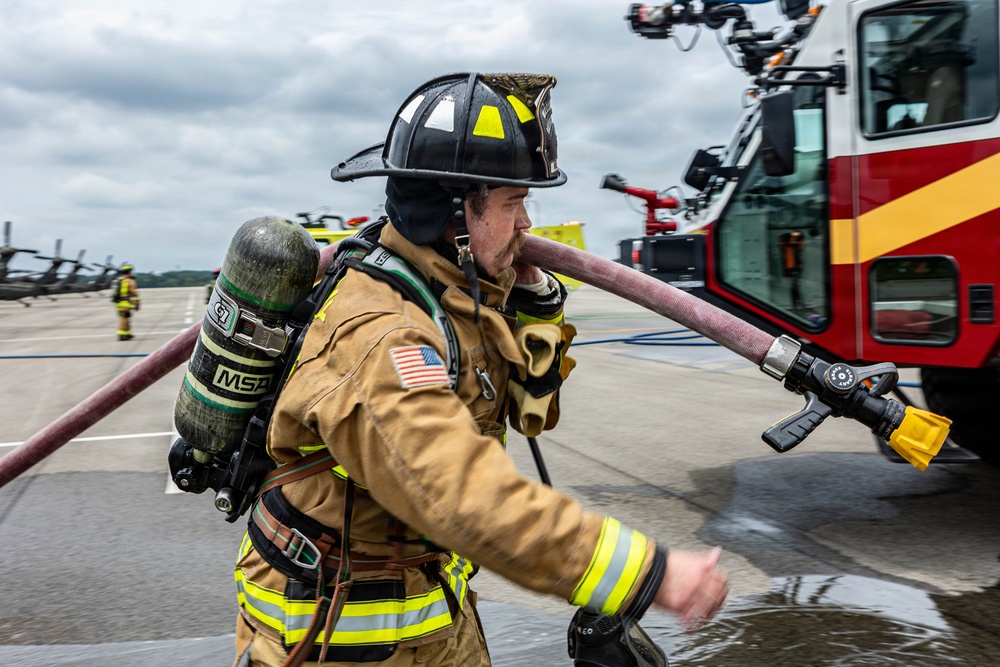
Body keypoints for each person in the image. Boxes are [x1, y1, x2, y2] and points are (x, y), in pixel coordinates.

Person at [232, 72, 728, 667]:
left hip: (418, 607)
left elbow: (525, 409)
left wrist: (536, 306)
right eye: (513, 203)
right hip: (341, 635)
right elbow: (462, 494)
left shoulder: (445, 293)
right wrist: (649, 574)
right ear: (455, 213)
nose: (526, 224)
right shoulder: (384, 335)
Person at [114, 263, 140, 341]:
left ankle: (126, 334)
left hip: (119, 303)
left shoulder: (119, 280)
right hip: (125, 303)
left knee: (124, 318)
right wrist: (137, 302)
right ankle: (122, 335)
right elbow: (134, 292)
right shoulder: (129, 281)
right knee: (125, 319)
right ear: (129, 272)